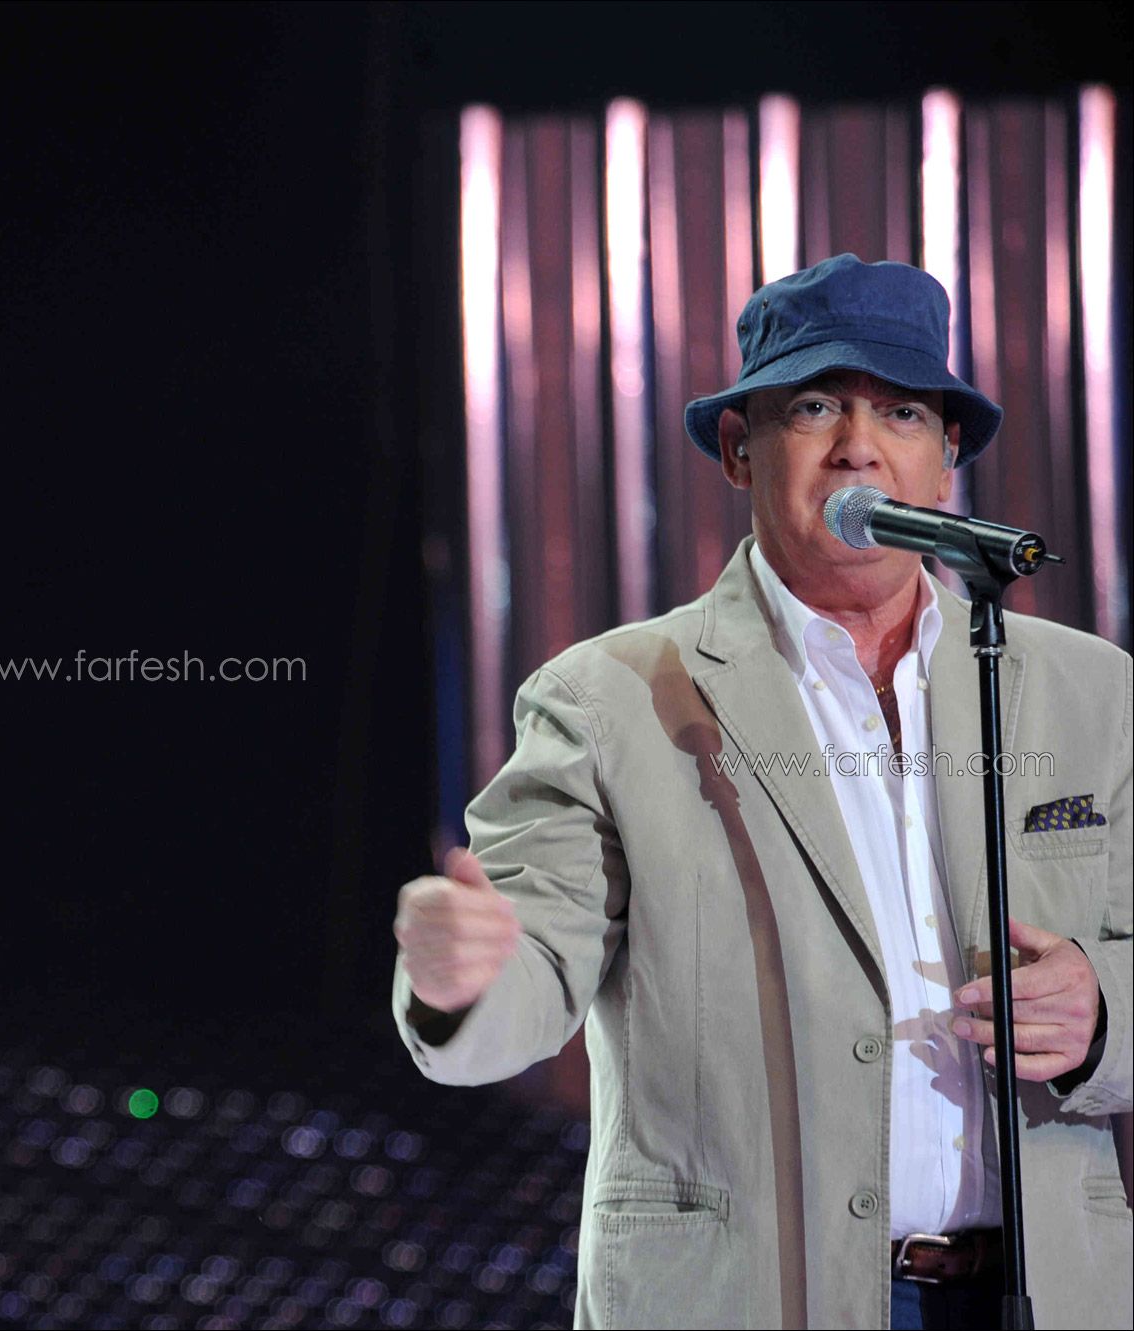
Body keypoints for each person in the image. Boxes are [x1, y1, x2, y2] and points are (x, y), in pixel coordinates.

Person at [392, 254, 1129, 1329]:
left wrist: (1103, 1009)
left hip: (1046, 1294)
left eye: (902, 412)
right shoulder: (606, 698)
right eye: (817, 406)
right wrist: (463, 980)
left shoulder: (1091, 690)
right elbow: (529, 974)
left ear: (946, 462)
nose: (858, 445)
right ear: (741, 449)